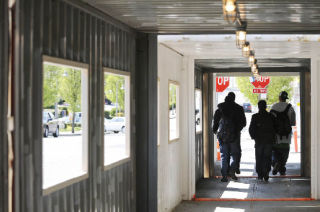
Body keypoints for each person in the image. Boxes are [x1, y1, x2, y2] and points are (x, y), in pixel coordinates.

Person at [212, 92, 246, 182]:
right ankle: (232, 171)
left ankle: (224, 176)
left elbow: (215, 123)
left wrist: (216, 131)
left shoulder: (219, 109)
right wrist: (236, 129)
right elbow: (244, 123)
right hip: (235, 135)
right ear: (234, 99)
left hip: (222, 136)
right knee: (235, 155)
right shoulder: (239, 109)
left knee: (224, 156)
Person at [249, 100, 276, 181]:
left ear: (258, 107)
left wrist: (254, 137)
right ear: (265, 106)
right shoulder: (271, 116)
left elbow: (251, 129)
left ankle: (260, 174)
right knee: (267, 157)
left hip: (259, 141)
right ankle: (266, 173)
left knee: (259, 157)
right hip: (269, 140)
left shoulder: (255, 117)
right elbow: (275, 128)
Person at [270, 91, 296, 176]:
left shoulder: (274, 106)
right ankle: (282, 167)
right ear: (286, 98)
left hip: (276, 135)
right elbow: (292, 122)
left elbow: (270, 120)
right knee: (284, 154)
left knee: (274, 152)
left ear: (279, 98)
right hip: (286, 136)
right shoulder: (290, 108)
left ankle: (276, 164)